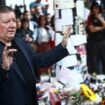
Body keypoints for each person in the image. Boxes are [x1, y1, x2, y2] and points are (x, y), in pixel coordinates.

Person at [0, 5, 71, 105]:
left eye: (14, 20)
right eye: (7, 22)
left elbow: (38, 60)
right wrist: (4, 68)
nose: (12, 25)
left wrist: (62, 46)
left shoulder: (20, 42)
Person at [86, 2, 105, 74]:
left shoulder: (103, 16)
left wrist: (99, 18)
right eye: (94, 8)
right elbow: (92, 29)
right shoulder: (90, 17)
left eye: (97, 8)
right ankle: (97, 77)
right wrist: (102, 27)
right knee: (95, 61)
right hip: (93, 42)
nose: (95, 10)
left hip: (103, 41)